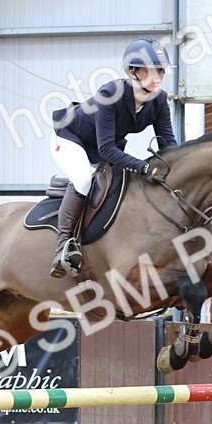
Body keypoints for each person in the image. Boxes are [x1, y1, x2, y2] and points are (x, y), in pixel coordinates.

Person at [48, 38, 179, 278]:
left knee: (133, 181)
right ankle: (63, 246)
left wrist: (178, 168)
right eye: (151, 70)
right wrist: (144, 167)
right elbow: (107, 149)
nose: (158, 77)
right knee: (83, 181)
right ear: (133, 72)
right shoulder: (110, 94)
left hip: (105, 145)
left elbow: (168, 143)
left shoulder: (159, 99)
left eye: (161, 70)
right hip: (71, 138)